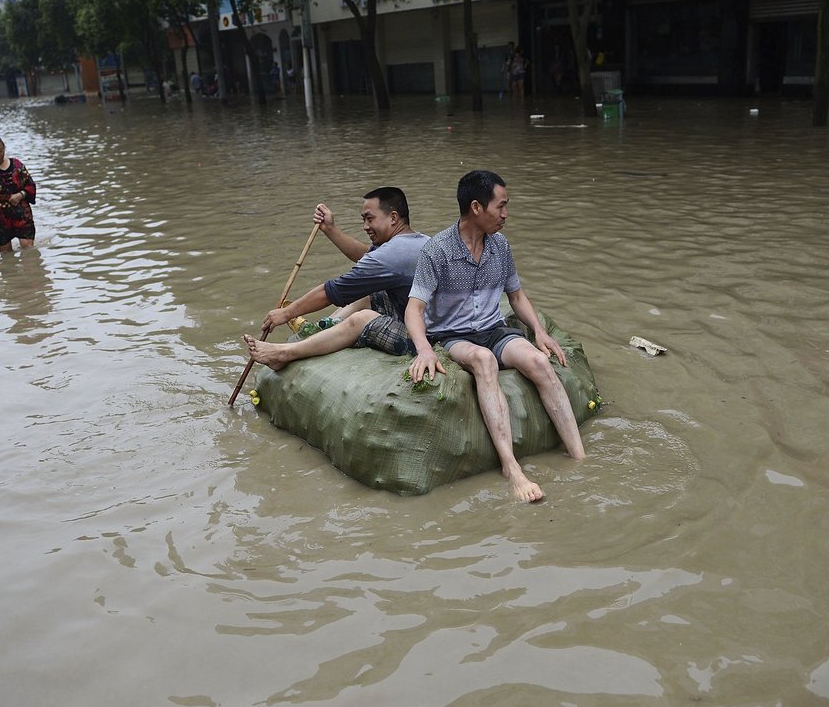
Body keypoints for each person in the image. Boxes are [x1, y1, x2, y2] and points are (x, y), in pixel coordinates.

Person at [405, 170, 585, 502]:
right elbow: (414, 308)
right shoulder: (437, 250)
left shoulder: (500, 246)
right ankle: (511, 468)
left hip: (493, 329)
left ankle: (580, 457)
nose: (505, 214)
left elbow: (516, 296)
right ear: (476, 207)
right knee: (483, 361)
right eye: (500, 206)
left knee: (538, 362)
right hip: (453, 335)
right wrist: (424, 350)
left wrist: (540, 332)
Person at [243, 188, 429, 371]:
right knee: (369, 291)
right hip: (424, 319)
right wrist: (330, 229)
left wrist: (286, 313)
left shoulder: (391, 255)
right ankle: (321, 330)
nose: (365, 226)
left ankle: (284, 353)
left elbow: (333, 292)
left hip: (426, 338)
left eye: (370, 219)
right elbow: (367, 257)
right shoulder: (416, 241)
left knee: (362, 318)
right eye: (363, 220)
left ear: (393, 218)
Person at [0, 134, 38, 253]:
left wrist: (21, 195)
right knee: (6, 254)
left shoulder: (17, 165)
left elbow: (31, 185)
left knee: (29, 249)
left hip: (22, 213)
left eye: (1, 150)